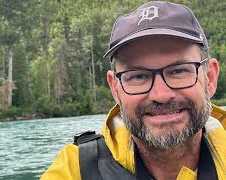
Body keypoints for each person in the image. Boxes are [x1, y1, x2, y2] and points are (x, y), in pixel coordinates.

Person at [41, 1, 226, 180]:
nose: (160, 95)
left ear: (209, 77)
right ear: (115, 88)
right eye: (138, 76)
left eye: (178, 71)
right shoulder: (76, 169)